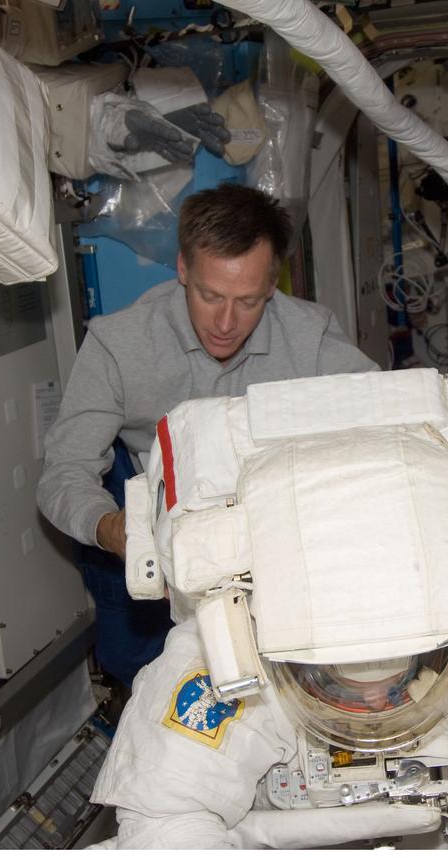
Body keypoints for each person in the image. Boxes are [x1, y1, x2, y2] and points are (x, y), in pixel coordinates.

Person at [91, 367, 448, 849]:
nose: (372, 701)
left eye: (403, 676)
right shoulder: (225, 654)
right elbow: (165, 819)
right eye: (339, 682)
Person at [36, 184, 376, 688]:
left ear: (273, 285)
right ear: (182, 269)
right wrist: (112, 528)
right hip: (154, 511)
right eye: (209, 295)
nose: (224, 322)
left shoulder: (310, 337)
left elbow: (388, 417)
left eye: (248, 302)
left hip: (267, 505)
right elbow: (63, 472)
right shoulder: (119, 345)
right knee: (146, 669)